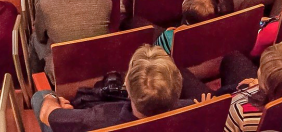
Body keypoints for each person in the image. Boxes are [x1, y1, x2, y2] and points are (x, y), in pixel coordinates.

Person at [33, 45, 186, 132]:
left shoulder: (98, 117)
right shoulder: (193, 109)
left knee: (40, 96)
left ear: (127, 87)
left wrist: (52, 98)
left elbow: (47, 114)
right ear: (177, 89)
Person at [32, 0, 112, 75]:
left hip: (63, 72)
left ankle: (39, 83)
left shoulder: (44, 5)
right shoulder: (106, 2)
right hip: (98, 67)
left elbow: (41, 37)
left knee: (34, 37)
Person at [223, 43, 282, 132]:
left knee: (232, 58)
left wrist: (211, 111)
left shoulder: (240, 112)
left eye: (260, 68)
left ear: (264, 85)